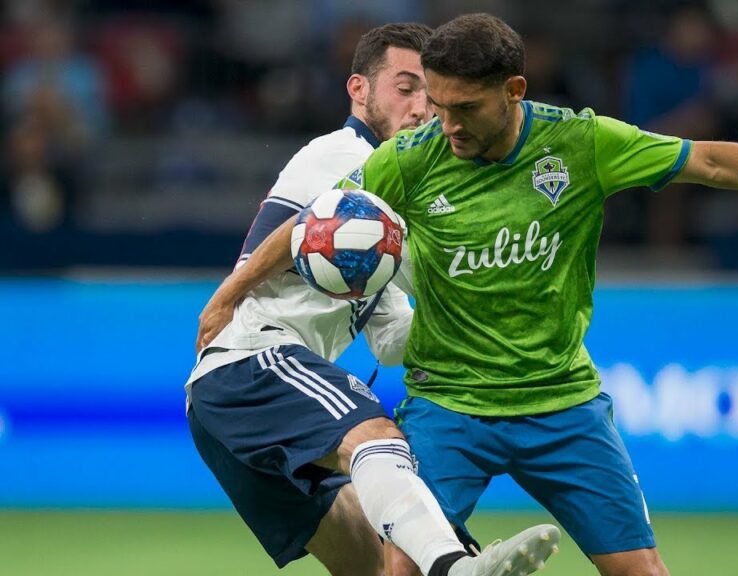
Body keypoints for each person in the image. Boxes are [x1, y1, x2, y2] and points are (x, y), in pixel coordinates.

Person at [200, 13, 738, 576]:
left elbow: (708, 162)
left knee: (640, 568)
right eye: (434, 103)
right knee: (403, 566)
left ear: (514, 92)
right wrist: (232, 291)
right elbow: (314, 225)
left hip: (561, 402)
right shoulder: (408, 158)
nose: (444, 124)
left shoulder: (580, 145)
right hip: (450, 404)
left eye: (463, 108)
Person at [188, 23, 560, 576]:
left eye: (429, 95)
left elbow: (388, 341)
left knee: (383, 566)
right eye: (404, 88)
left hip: (253, 410)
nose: (421, 108)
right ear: (358, 89)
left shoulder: (388, 213)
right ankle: (458, 566)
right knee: (378, 437)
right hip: (251, 366)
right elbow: (298, 234)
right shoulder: (337, 156)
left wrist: (460, 328)